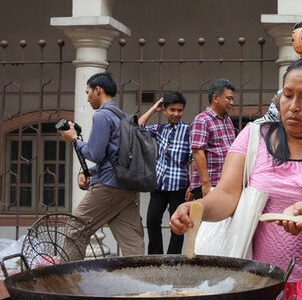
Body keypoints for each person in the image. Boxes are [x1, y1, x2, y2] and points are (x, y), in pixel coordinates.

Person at [170, 58, 302, 281]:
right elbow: (227, 195)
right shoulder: (253, 137)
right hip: (260, 284)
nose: (294, 106)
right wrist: (195, 208)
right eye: (287, 96)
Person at [57, 72, 145, 258]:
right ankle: (141, 282)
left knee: (74, 230)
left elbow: (95, 154)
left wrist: (74, 140)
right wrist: (91, 171)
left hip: (108, 186)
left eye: (88, 92)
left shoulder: (101, 115)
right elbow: (114, 156)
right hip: (127, 186)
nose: (87, 98)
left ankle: (67, 281)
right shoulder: (122, 116)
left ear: (98, 90)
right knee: (131, 241)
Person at [138, 91, 193, 255]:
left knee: (178, 224)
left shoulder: (188, 131)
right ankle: (156, 257)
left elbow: (193, 158)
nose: (176, 113)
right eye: (172, 110)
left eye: (179, 110)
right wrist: (153, 108)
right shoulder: (160, 129)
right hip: (159, 186)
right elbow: (137, 127)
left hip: (179, 186)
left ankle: (173, 259)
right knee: (152, 221)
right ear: (165, 110)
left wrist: (192, 185)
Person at [189, 79, 237, 199]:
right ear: (216, 98)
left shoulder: (227, 120)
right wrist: (206, 183)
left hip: (224, 183)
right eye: (229, 98)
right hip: (210, 185)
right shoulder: (202, 120)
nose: (232, 102)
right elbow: (198, 151)